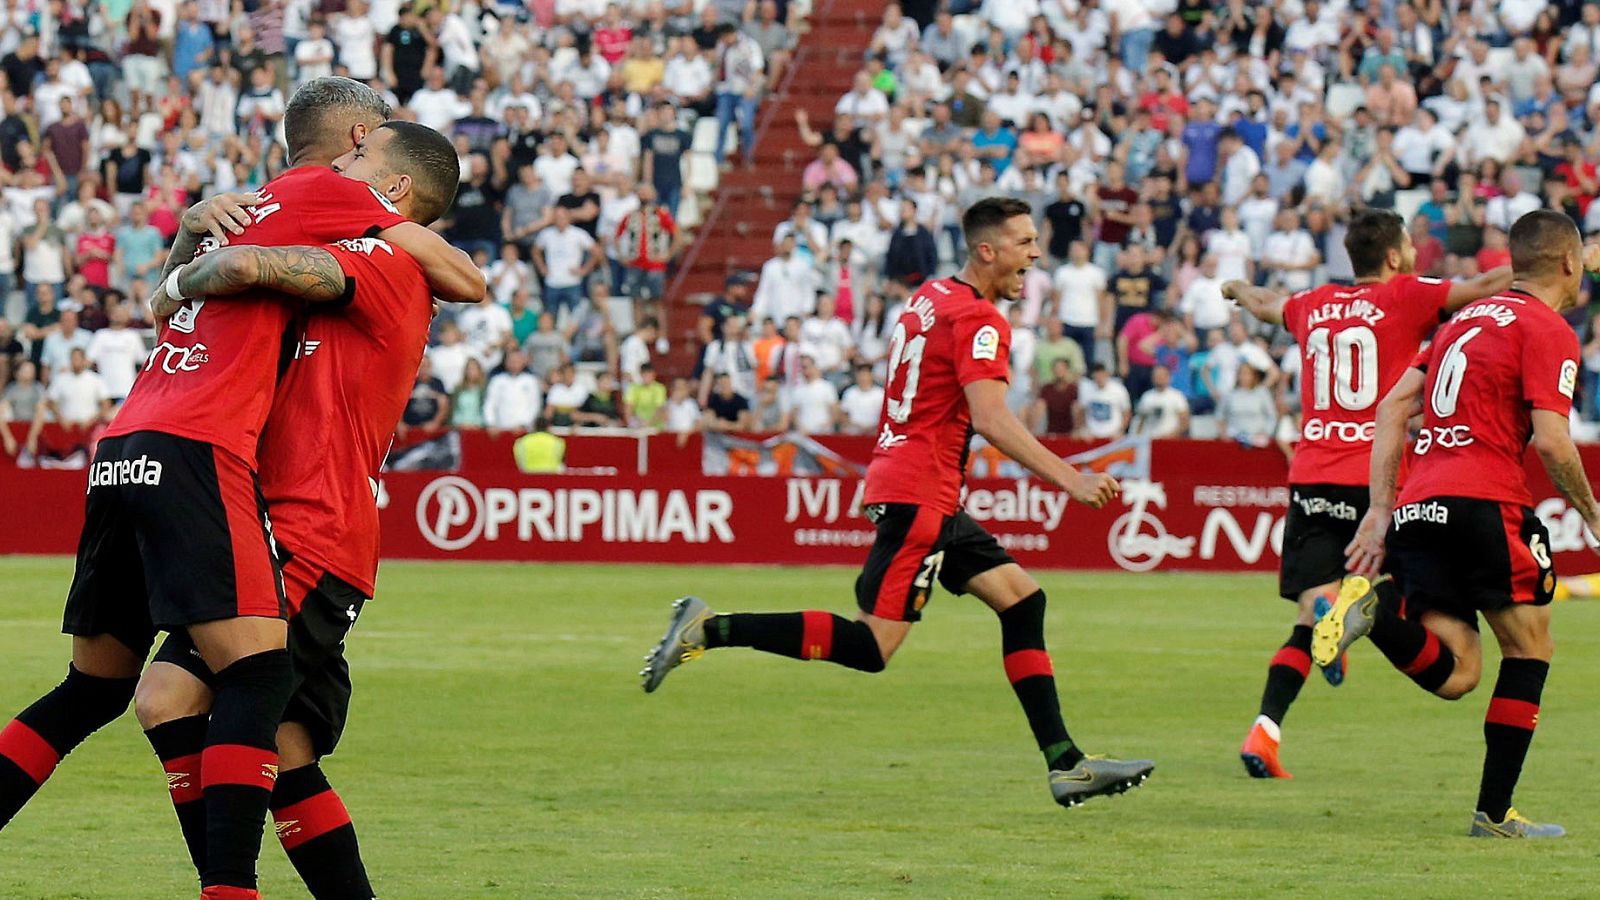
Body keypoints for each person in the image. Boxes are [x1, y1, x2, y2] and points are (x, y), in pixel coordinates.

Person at [0, 79, 480, 900]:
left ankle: (228, 889)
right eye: (356, 147)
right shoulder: (323, 221)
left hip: (313, 528)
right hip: (259, 511)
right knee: (262, 738)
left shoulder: (385, 258)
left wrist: (188, 266)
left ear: (392, 184)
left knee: (183, 699)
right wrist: (197, 233)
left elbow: (263, 266)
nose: (349, 165)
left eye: (366, 156)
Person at [641, 198, 1152, 809]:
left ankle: (1066, 764)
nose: (1035, 254)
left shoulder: (931, 297)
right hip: (923, 494)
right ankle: (709, 629)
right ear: (987, 250)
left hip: (914, 483)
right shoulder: (981, 319)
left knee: (1022, 600)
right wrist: (1070, 478)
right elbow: (990, 418)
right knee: (871, 647)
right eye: (1024, 243)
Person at [1328, 210, 1600, 838]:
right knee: (1529, 648)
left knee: (1458, 673)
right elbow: (1553, 441)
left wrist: (1380, 509)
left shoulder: (1462, 322)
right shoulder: (1549, 328)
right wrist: (1592, 514)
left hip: (1419, 507)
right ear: (1567, 264)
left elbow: (1393, 406)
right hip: (1487, 503)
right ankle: (1494, 815)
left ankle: (1376, 613)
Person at [1222, 208, 1512, 780]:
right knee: (1411, 597)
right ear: (1394, 255)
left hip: (1312, 478)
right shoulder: (1406, 295)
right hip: (1378, 482)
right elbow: (1484, 286)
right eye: (1409, 246)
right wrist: (1544, 266)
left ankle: (1266, 730)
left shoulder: (1313, 302)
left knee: (1309, 617)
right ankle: (1362, 614)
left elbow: (1265, 302)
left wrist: (1236, 288)